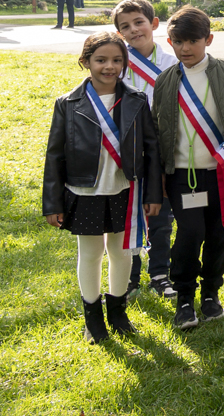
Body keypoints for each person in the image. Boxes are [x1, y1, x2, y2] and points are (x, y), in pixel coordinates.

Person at [44, 32, 162, 342]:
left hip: (125, 189)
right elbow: (54, 155)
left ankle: (118, 312)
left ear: (125, 63)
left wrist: (152, 194)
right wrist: (53, 203)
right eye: (101, 60)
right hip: (86, 192)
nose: (109, 67)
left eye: (116, 60)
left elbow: (151, 151)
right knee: (91, 253)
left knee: (122, 252)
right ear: (86, 62)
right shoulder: (67, 104)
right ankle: (92, 318)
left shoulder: (137, 100)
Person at [152, 7, 224, 330]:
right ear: (170, 41)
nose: (185, 48)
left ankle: (211, 293)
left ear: (208, 39)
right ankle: (184, 297)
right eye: (177, 41)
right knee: (190, 232)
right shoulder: (166, 81)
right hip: (182, 175)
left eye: (192, 41)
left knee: (221, 231)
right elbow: (159, 126)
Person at [112, 0, 177, 300]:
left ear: (153, 24)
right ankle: (130, 276)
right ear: (119, 34)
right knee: (130, 212)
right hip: (128, 149)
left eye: (139, 22)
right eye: (125, 26)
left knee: (161, 213)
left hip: (163, 148)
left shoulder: (171, 62)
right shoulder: (115, 62)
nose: (133, 29)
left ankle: (160, 273)